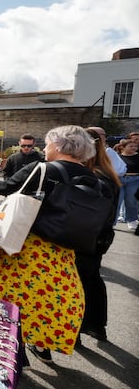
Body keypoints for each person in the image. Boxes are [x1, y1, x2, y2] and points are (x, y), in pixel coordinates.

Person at [0, 125, 99, 365]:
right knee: (50, 299)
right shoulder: (92, 178)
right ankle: (41, 344)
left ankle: (7, 346)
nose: (45, 148)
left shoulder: (42, 169)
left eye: (48, 143)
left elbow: (8, 188)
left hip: (25, 245)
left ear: (58, 145)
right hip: (63, 251)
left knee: (7, 295)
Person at [75, 128, 122, 341]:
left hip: (86, 237)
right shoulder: (105, 171)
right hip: (98, 237)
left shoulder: (92, 176)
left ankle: (79, 326)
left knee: (81, 280)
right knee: (92, 278)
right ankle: (95, 325)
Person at [117, 138, 139, 231]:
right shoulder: (118, 157)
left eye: (135, 146)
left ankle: (132, 220)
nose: (133, 148)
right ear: (123, 147)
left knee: (131, 200)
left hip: (134, 180)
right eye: (131, 146)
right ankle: (112, 221)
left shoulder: (138, 156)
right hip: (119, 180)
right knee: (117, 200)